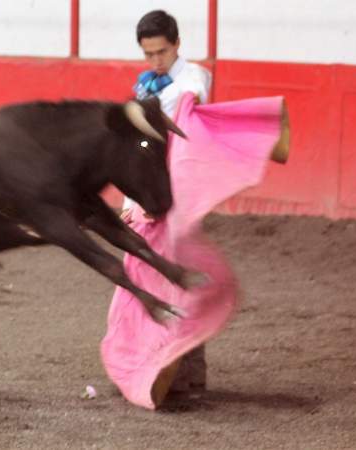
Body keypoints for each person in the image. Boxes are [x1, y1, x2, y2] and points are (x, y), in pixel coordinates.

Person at [121, 9, 212, 393]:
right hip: (151, 193)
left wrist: (145, 106)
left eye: (161, 52)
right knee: (147, 274)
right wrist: (129, 198)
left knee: (177, 277)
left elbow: (190, 98)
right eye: (148, 54)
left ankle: (188, 374)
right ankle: (153, 363)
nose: (156, 60)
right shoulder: (147, 86)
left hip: (184, 192)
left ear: (177, 44)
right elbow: (137, 147)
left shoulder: (192, 78)